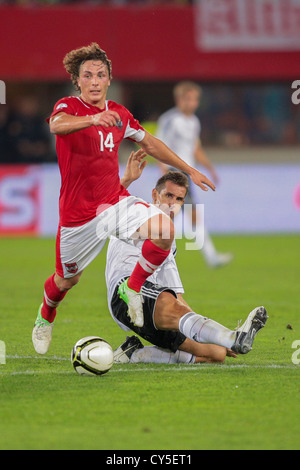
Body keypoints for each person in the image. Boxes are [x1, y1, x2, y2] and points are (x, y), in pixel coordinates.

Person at [32, 43, 215, 355]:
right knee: (65, 281)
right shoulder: (68, 108)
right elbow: (55, 125)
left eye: (100, 75)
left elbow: (152, 142)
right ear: (77, 81)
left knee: (164, 230)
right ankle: (45, 316)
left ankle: (132, 288)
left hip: (113, 203)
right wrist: (92, 120)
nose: (93, 81)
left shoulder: (119, 113)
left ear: (108, 80)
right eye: (87, 75)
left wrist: (188, 168)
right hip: (78, 217)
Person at [105, 158, 268, 365]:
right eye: (168, 195)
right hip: (125, 295)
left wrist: (209, 334)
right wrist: (126, 180)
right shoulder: (138, 212)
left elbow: (177, 296)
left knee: (216, 354)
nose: (173, 203)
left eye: (179, 199)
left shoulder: (169, 244)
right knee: (179, 313)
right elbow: (108, 205)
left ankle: (132, 354)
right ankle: (234, 337)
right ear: (155, 195)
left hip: (154, 305)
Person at [156, 81, 233, 268]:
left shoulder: (194, 121)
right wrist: (164, 173)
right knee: (175, 216)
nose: (192, 103)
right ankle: (209, 257)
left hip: (187, 174)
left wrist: (210, 169)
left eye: (195, 99)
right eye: (188, 99)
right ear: (179, 99)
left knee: (177, 216)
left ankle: (209, 257)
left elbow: (195, 149)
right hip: (174, 174)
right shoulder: (170, 120)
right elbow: (158, 146)